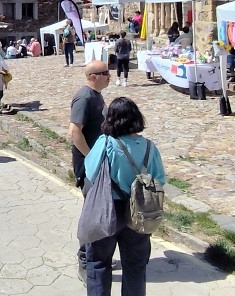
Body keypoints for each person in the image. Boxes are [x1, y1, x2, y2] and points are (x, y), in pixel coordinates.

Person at [83, 97, 166, 295]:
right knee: (135, 265)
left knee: (98, 263)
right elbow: (159, 179)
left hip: (107, 208)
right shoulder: (149, 147)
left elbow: (90, 171)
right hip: (139, 211)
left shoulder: (106, 143)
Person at [69, 60, 109, 283]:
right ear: (93, 76)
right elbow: (74, 131)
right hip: (90, 168)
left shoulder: (96, 95)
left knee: (101, 211)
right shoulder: (84, 98)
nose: (109, 75)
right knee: (92, 215)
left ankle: (96, 254)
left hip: (99, 164)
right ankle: (85, 260)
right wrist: (91, 157)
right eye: (104, 72)